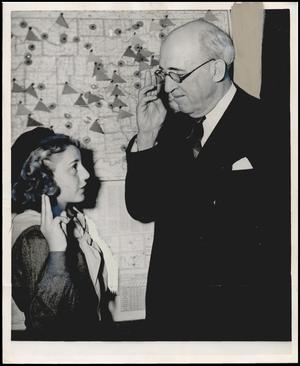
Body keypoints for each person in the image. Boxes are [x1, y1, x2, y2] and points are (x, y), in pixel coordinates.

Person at [125, 19, 290, 340]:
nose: (168, 87)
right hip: (171, 312)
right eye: (164, 74)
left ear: (216, 70)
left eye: (178, 74)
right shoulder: (168, 126)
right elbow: (142, 208)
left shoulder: (275, 126)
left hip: (238, 316)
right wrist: (146, 136)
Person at [11, 127, 118, 340]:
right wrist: (57, 252)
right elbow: (45, 326)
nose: (87, 175)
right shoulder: (36, 238)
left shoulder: (68, 221)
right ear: (45, 177)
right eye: (74, 167)